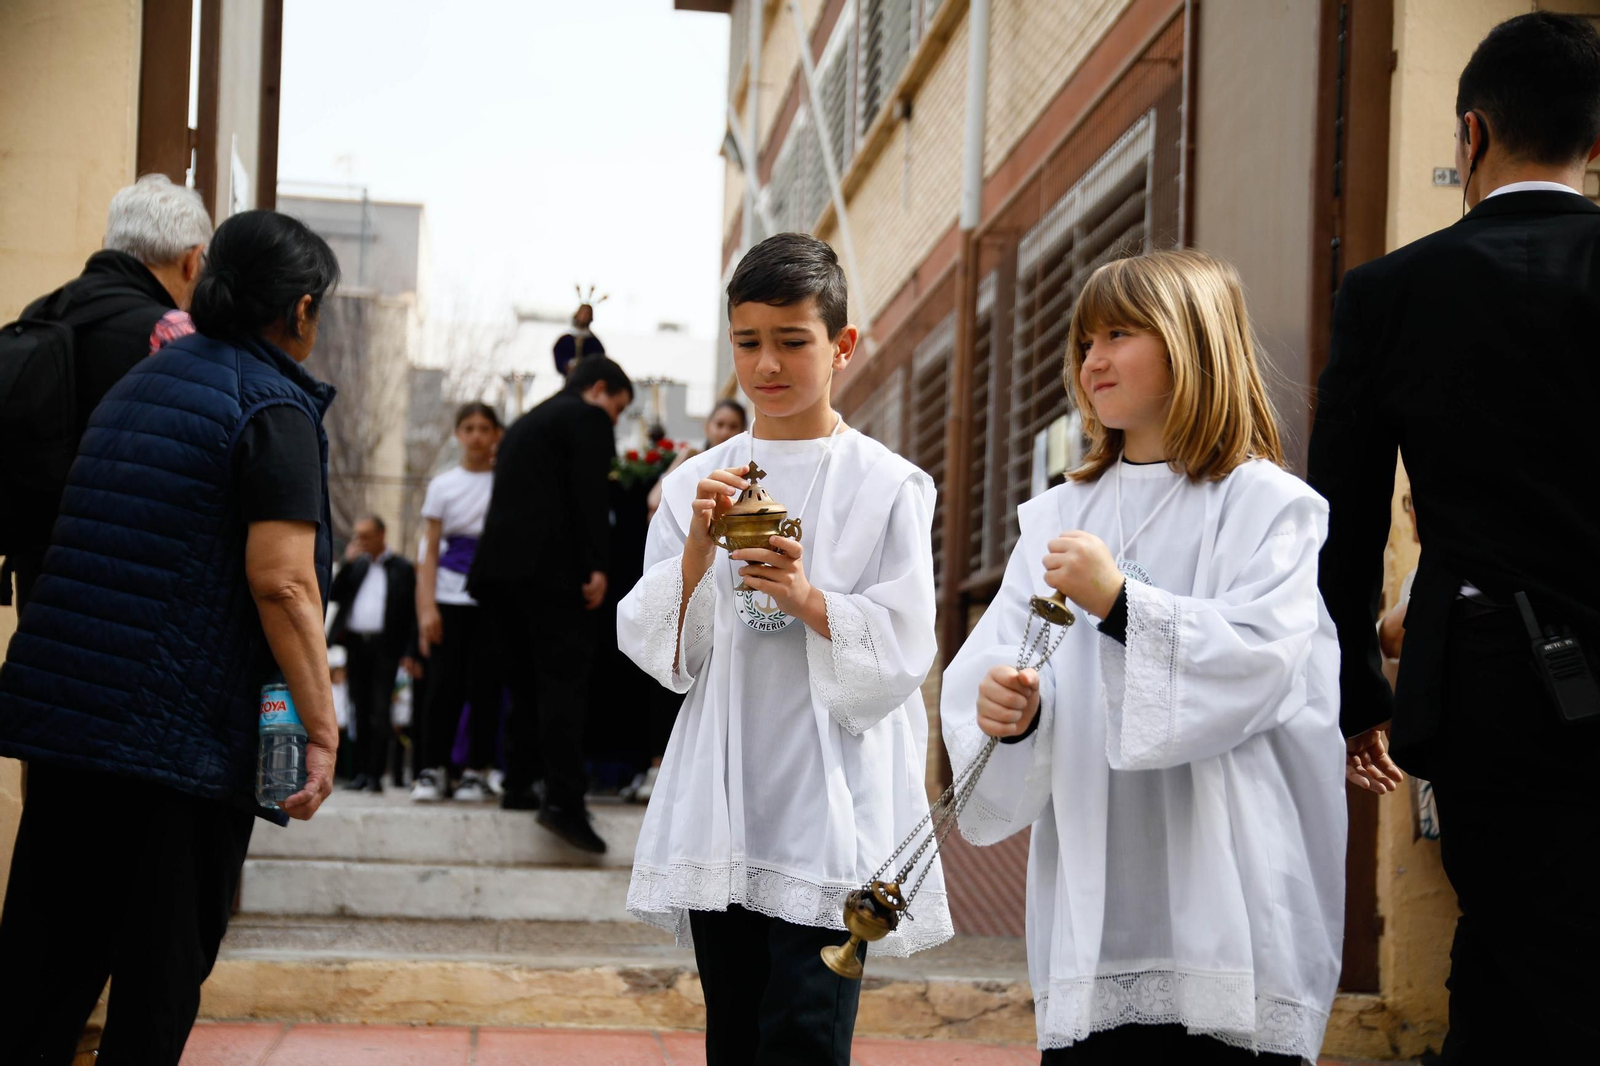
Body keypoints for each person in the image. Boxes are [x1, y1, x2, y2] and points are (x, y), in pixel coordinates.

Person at [943, 250, 1345, 1063]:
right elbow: (1005, 660)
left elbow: (1262, 662)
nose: (1092, 360)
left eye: (1119, 335)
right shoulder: (1058, 515)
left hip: (1232, 880)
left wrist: (1120, 601)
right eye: (1085, 341)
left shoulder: (1269, 507)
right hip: (1099, 886)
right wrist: (1013, 709)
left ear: (1194, 342)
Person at [1307, 13, 1600, 1059]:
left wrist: (1357, 694)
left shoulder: (1391, 291)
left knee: (1511, 944)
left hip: (1487, 679)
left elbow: (1341, 516)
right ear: (1595, 142)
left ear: (1471, 133)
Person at [0, 208, 342, 1064]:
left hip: (71, 730)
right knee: (155, 991)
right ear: (301, 308)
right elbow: (284, 582)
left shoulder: (142, 383)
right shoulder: (272, 404)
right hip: (175, 750)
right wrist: (323, 726)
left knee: (40, 982)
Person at [617, 233, 952, 1065]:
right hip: (726, 790)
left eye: (793, 341)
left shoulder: (889, 486)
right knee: (732, 1034)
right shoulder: (695, 484)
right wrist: (696, 554)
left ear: (842, 345)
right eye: (748, 342)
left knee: (806, 1034)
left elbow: (906, 645)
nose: (767, 364)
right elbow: (660, 651)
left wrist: (807, 599)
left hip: (831, 798)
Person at [1, 173, 211, 612]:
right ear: (192, 262)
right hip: (127, 572)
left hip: (39, 561)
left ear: (108, 243)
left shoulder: (43, 311)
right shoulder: (171, 331)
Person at [469, 355, 633, 850]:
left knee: (522, 681)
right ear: (599, 388)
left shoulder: (526, 421)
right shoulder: (586, 418)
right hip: (552, 573)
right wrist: (597, 565)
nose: (614, 420)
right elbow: (588, 495)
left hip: (500, 573)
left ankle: (518, 784)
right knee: (564, 683)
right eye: (618, 408)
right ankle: (563, 801)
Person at [625, 397, 748, 804]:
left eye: (733, 425)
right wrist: (682, 463)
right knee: (670, 666)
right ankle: (657, 764)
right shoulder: (694, 465)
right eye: (719, 423)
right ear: (707, 426)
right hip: (682, 574)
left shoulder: (749, 471)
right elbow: (654, 501)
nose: (725, 431)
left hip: (729, 590)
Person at [413, 402, 505, 803]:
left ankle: (475, 770)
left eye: (484, 428)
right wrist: (426, 608)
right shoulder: (443, 485)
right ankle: (432, 768)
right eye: (469, 428)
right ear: (458, 434)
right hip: (449, 596)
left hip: (490, 598)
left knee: (485, 686)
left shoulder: (505, 483)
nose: (476, 436)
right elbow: (429, 552)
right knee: (443, 686)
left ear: (496, 434)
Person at [328, 515, 418, 792]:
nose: (361, 541)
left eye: (365, 536)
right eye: (357, 536)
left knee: (380, 710)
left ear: (381, 535)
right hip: (356, 645)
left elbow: (411, 613)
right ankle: (359, 774)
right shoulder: (357, 565)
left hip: (386, 647)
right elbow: (334, 593)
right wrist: (347, 563)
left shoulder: (402, 567)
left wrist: (410, 652)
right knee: (358, 708)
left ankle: (376, 775)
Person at [552, 301, 605, 376]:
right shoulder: (565, 340)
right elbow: (559, 358)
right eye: (582, 313)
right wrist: (567, 365)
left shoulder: (594, 343)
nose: (584, 317)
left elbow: (599, 362)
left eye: (587, 314)